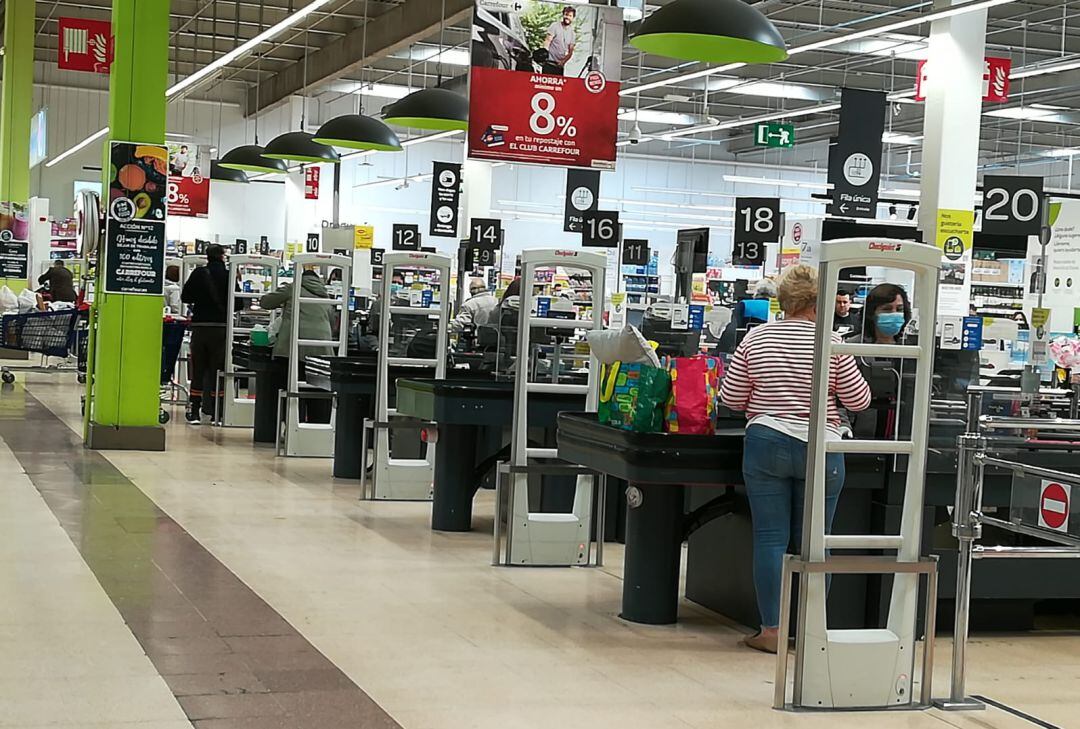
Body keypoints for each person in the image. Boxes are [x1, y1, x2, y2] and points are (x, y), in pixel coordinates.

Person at [719, 265, 871, 654]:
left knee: (770, 539)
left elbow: (732, 398)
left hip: (766, 441)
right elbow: (859, 400)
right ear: (816, 302)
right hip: (821, 445)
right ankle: (809, 632)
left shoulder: (756, 337)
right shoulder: (832, 342)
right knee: (815, 543)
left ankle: (771, 631)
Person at [260, 267, 336, 423]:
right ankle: (317, 429)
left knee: (291, 388)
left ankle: (293, 427)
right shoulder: (325, 295)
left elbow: (265, 302)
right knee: (318, 391)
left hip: (291, 348)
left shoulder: (293, 288)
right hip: (322, 350)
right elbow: (333, 323)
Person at [181, 244, 229, 424]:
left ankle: (194, 411)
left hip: (200, 326)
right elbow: (239, 303)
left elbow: (186, 297)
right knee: (219, 369)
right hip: (221, 328)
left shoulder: (199, 274)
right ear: (222, 256)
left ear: (207, 256)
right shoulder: (228, 275)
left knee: (198, 368)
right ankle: (218, 412)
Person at [541, 6, 577, 75]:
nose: (567, 17)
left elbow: (570, 52)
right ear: (563, 15)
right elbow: (548, 41)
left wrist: (563, 61)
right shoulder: (555, 26)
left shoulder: (572, 33)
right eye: (566, 14)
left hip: (559, 65)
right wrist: (545, 54)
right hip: (549, 62)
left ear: (573, 18)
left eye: (570, 16)